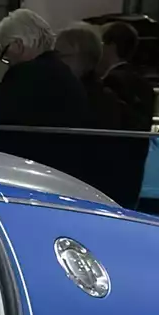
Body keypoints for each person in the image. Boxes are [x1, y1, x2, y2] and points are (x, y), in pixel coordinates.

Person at [0, 9, 88, 176]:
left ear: (18, 45)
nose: (6, 61)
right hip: (60, 170)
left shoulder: (29, 75)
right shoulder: (63, 72)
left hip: (23, 171)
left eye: (4, 52)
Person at [54, 21, 131, 203]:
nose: (54, 62)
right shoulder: (103, 95)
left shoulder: (80, 97)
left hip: (78, 190)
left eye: (59, 55)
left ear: (79, 58)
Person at [99, 20, 155, 207]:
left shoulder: (113, 82)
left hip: (111, 169)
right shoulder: (143, 83)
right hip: (134, 168)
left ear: (111, 46)